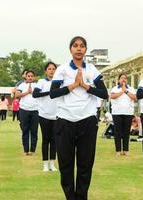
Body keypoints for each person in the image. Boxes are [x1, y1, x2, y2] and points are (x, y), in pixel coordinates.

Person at [50, 36, 108, 200]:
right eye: (75, 46)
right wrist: (73, 85)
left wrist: (85, 86)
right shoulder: (62, 69)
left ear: (85, 50)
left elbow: (104, 94)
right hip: (65, 120)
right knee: (66, 164)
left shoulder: (91, 69)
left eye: (82, 46)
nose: (79, 49)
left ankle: (82, 197)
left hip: (87, 120)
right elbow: (53, 94)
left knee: (85, 164)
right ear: (70, 49)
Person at [33, 62, 58, 172]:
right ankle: (45, 164)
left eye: (53, 69)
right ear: (46, 71)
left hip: (56, 115)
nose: (52, 71)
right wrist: (49, 92)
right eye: (49, 69)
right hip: (44, 114)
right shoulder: (41, 82)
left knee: (54, 140)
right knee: (45, 139)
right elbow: (35, 94)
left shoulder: (59, 83)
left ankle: (52, 163)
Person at [110, 73, 136, 156]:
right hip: (117, 113)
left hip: (128, 113)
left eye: (125, 78)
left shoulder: (131, 89)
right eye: (122, 78)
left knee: (126, 132)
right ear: (119, 80)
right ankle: (118, 150)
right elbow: (112, 96)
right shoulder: (114, 88)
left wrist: (126, 91)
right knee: (117, 132)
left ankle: (125, 149)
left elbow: (134, 98)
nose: (124, 79)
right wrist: (122, 91)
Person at [16, 70, 39, 156]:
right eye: (28, 76)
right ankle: (26, 150)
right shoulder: (22, 85)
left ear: (34, 77)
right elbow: (17, 95)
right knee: (25, 130)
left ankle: (32, 150)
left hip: (35, 110)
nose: (30, 77)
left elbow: (40, 95)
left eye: (31, 76)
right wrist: (27, 92)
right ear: (25, 76)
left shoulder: (37, 85)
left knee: (34, 131)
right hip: (24, 110)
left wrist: (33, 92)